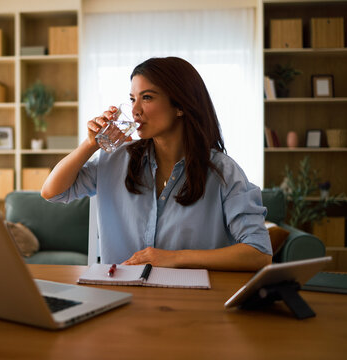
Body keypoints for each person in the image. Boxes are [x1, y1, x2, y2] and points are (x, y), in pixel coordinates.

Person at [41, 57, 272, 271]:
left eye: (147, 97)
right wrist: (89, 145)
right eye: (132, 99)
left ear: (180, 106)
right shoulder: (115, 159)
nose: (134, 110)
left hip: (192, 301)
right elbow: (52, 192)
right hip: (122, 298)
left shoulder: (223, 171)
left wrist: (174, 258)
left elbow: (259, 252)